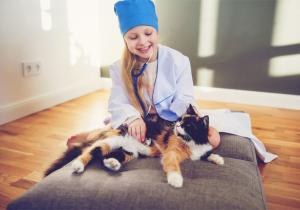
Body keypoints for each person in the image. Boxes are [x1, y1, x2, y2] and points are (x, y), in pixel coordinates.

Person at [67, 0, 220, 148]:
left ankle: (104, 131)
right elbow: (118, 101)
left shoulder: (179, 61)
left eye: (148, 33)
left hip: (171, 119)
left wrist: (191, 119)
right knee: (121, 138)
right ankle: (94, 134)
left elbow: (185, 96)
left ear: (156, 32)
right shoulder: (119, 68)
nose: (142, 41)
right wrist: (133, 119)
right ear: (125, 40)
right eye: (133, 37)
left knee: (212, 140)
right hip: (140, 120)